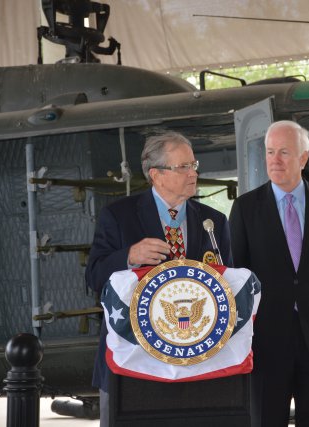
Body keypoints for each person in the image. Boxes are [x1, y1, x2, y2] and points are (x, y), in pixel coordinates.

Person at [85, 131, 233, 426]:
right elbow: (94, 278)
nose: (194, 173)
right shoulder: (119, 216)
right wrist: (129, 256)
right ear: (156, 175)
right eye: (184, 167)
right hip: (134, 359)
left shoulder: (213, 222)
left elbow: (227, 286)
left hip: (197, 361)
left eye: (194, 165)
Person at [229, 120, 309, 426]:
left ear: (303, 158)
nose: (275, 159)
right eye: (270, 152)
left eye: (284, 152)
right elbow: (235, 278)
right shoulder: (245, 208)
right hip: (266, 338)